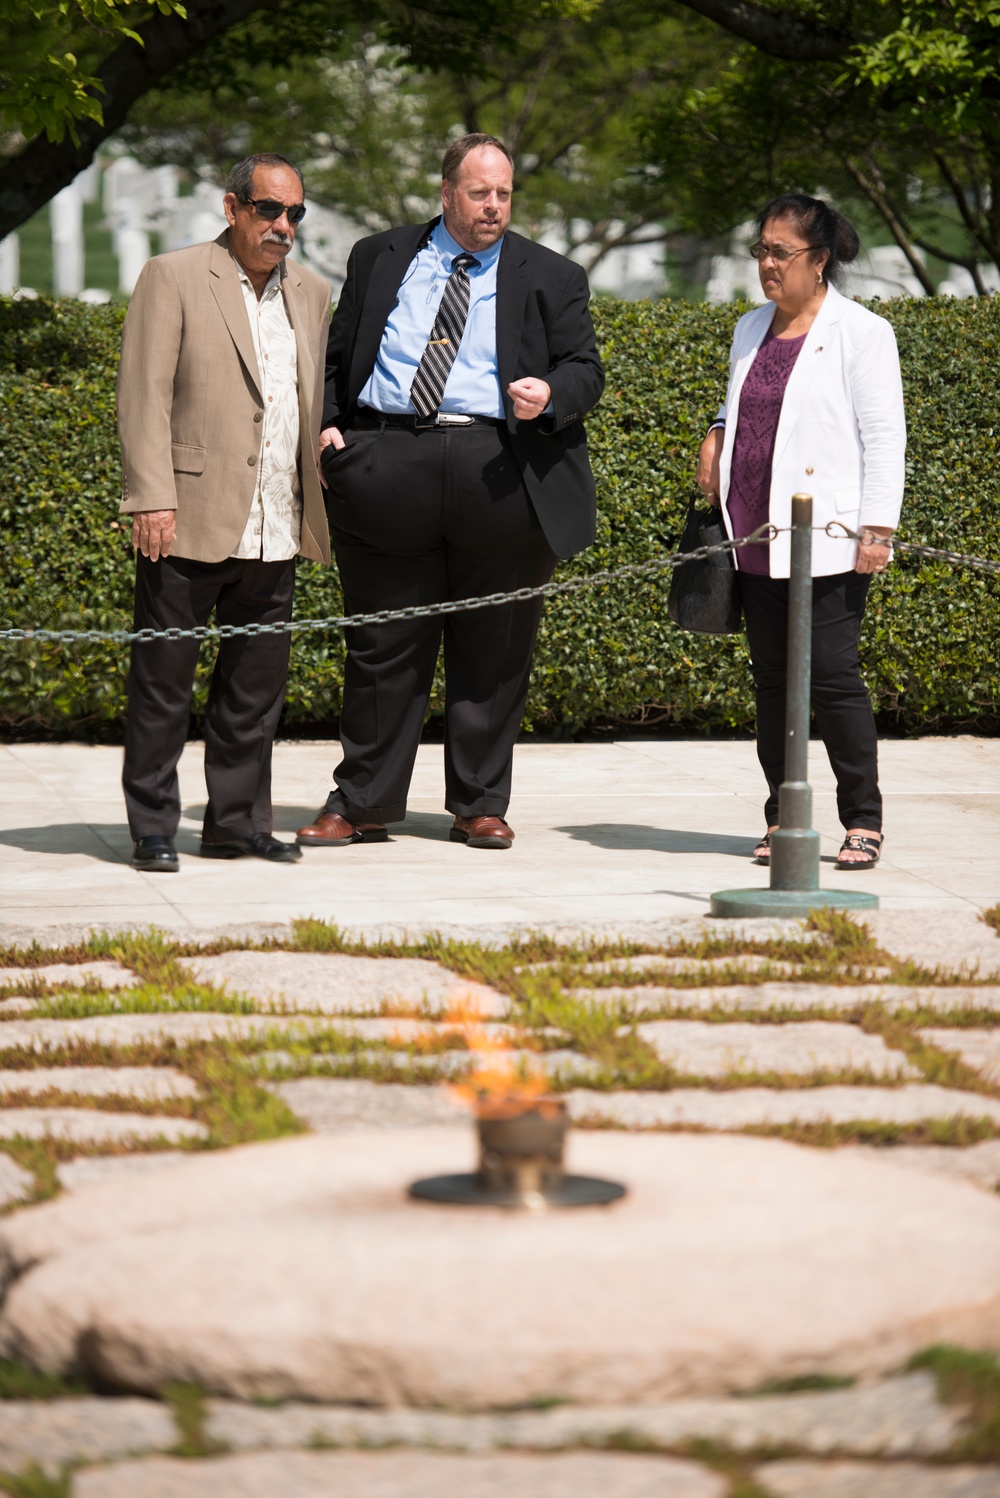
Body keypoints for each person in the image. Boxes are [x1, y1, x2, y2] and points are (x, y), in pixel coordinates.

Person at [296, 133, 604, 853]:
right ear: (445, 193)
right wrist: (333, 430)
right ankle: (363, 802)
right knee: (381, 645)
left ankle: (478, 804)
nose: (493, 206)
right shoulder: (380, 256)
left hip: (501, 466)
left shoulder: (553, 275)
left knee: (493, 648)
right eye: (478, 193)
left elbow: (585, 369)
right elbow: (339, 355)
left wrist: (552, 391)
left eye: (503, 194)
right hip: (387, 460)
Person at [117, 152, 332, 872]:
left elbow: (306, 400)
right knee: (162, 685)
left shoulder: (310, 292)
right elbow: (142, 394)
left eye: (295, 214)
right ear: (232, 207)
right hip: (188, 518)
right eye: (269, 210)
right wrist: (150, 495)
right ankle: (153, 825)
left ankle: (235, 824)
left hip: (275, 521)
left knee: (253, 692)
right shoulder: (173, 276)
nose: (283, 226)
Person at [696, 193, 905, 870]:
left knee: (834, 679)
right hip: (755, 531)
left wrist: (878, 527)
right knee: (771, 683)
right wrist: (717, 434)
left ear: (820, 261)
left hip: (831, 536)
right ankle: (781, 814)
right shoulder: (749, 326)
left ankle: (862, 820)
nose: (767, 265)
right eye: (761, 250)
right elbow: (742, 406)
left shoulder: (862, 332)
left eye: (781, 253)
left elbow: (884, 437)